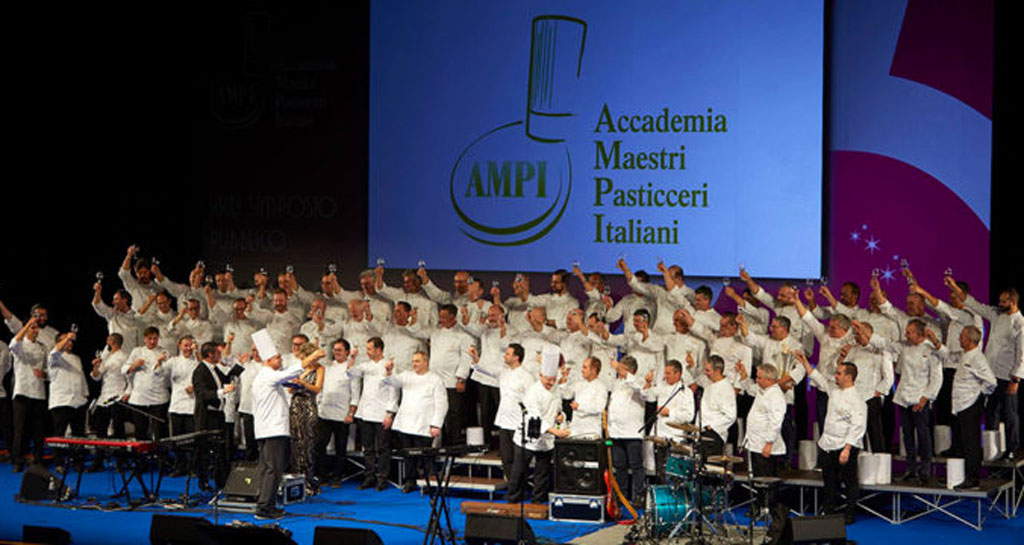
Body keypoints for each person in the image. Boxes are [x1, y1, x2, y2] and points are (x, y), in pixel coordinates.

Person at [251, 332, 323, 520]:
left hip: (264, 429)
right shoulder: (269, 376)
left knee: (267, 469)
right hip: (273, 429)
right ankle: (265, 508)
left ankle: (264, 503)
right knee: (274, 469)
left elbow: (290, 380)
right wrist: (312, 357)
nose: (281, 359)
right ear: (268, 361)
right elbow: (291, 373)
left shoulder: (263, 377)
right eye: (277, 357)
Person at [953, 280, 1024, 461]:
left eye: (1003, 301)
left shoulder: (1020, 323)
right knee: (991, 412)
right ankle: (992, 450)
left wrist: (1016, 380)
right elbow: (974, 304)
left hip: (1008, 376)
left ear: (1013, 302)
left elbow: (1022, 354)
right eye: (999, 301)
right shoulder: (996, 315)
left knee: (1010, 414)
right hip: (991, 375)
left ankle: (1012, 449)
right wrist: (953, 286)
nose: (999, 304)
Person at [795, 352, 866, 525]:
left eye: (839, 373)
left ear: (848, 377)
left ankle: (849, 513)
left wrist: (847, 449)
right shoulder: (834, 390)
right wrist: (805, 362)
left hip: (845, 446)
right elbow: (818, 378)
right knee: (829, 481)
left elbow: (858, 426)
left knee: (849, 481)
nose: (835, 376)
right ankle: (829, 511)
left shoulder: (857, 400)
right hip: (828, 443)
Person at [506, 348, 571, 504]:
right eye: (548, 380)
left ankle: (538, 502)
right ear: (541, 375)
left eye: (553, 380)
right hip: (528, 437)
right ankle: (513, 500)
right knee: (519, 472)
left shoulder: (555, 389)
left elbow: (559, 407)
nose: (551, 383)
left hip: (547, 440)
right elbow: (535, 417)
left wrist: (561, 416)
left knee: (542, 473)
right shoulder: (533, 392)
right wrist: (555, 431)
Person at [884, 320, 943, 485]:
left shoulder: (931, 350)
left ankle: (925, 470)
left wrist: (925, 398)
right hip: (904, 397)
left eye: (909, 332)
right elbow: (886, 347)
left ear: (919, 334)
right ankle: (910, 470)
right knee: (907, 435)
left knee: (923, 434)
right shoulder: (905, 347)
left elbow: (937, 378)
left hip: (920, 398)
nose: (906, 335)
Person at [937, 326, 995, 489]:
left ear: (969, 340)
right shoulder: (964, 354)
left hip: (970, 405)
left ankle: (972, 478)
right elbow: (949, 355)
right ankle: (957, 476)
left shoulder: (978, 358)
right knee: (960, 442)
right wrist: (936, 342)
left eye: (961, 337)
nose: (959, 339)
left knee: (971, 443)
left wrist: (978, 394)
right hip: (960, 405)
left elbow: (991, 382)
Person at [382, 350, 448, 493]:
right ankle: (409, 481)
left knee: (425, 457)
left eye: (417, 361)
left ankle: (427, 482)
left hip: (424, 425)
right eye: (413, 361)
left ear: (426, 362)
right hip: (406, 424)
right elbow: (390, 382)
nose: (414, 364)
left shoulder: (435, 379)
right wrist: (389, 371)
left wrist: (436, 424)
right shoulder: (406, 376)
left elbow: (442, 404)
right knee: (408, 456)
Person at [348, 337, 395, 491]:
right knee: (367, 447)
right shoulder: (366, 365)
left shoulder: (389, 365)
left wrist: (389, 413)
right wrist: (352, 358)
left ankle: (382, 478)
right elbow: (350, 373)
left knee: (383, 448)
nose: (367, 352)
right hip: (366, 412)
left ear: (378, 349)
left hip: (382, 412)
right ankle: (369, 476)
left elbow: (393, 391)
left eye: (369, 349)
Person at [607, 356, 652, 503]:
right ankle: (622, 495)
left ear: (629, 370)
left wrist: (623, 371)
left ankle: (639, 496)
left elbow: (642, 391)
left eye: (621, 368)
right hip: (616, 431)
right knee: (619, 466)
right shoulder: (617, 383)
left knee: (636, 465)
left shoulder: (637, 381)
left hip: (632, 432)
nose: (618, 370)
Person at [316, 339, 360, 484]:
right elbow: (321, 388)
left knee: (340, 448)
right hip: (324, 413)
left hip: (342, 415)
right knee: (320, 445)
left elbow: (355, 394)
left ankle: (337, 476)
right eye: (335, 350)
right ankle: (322, 475)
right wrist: (318, 405)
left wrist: (351, 413)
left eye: (339, 350)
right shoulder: (328, 367)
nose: (336, 352)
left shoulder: (351, 369)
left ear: (347, 352)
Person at [192, 341, 235, 488]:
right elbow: (202, 394)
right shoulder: (200, 371)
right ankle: (203, 481)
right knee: (204, 449)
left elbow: (225, 379)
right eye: (218, 353)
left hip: (218, 413)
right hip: (206, 416)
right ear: (210, 354)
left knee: (221, 448)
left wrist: (237, 369)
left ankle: (221, 481)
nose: (220, 355)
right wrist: (222, 392)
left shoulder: (215, 369)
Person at [10, 317, 50, 471]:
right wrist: (27, 324)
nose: (35, 330)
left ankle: (38, 459)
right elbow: (13, 344)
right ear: (26, 329)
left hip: (38, 392)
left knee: (39, 429)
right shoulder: (20, 344)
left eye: (36, 328)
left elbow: (47, 368)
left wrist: (44, 373)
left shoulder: (42, 347)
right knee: (20, 429)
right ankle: (18, 461)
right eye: (32, 328)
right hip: (22, 390)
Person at [644, 359, 694, 479]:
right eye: (665, 373)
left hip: (675, 438)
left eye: (668, 373)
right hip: (660, 436)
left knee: (673, 474)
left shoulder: (686, 392)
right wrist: (648, 383)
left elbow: (689, 415)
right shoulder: (661, 387)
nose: (665, 376)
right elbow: (647, 396)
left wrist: (669, 412)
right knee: (659, 472)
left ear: (678, 374)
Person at [88, 334, 129, 471]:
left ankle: (121, 461)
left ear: (111, 342)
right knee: (101, 429)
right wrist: (95, 366)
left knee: (118, 429)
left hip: (117, 395)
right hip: (104, 397)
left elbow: (129, 377)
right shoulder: (105, 357)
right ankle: (98, 461)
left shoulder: (124, 356)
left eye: (108, 340)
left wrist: (127, 393)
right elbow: (96, 377)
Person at [288, 342, 325, 494]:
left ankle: (309, 480)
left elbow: (317, 388)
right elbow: (290, 390)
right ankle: (296, 478)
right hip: (296, 406)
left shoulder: (319, 369)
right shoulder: (299, 369)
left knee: (308, 443)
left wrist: (303, 383)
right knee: (296, 442)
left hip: (309, 406)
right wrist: (294, 385)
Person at [123, 327, 171, 440]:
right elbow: (125, 370)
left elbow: (168, 373)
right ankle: (142, 450)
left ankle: (161, 451)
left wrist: (160, 363)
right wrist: (134, 365)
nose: (153, 341)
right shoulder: (137, 351)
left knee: (160, 430)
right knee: (140, 429)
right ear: (144, 338)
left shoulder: (164, 353)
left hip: (159, 397)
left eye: (155, 338)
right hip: (140, 397)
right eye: (150, 338)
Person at [699, 355, 737, 456]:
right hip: (702, 430)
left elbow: (731, 416)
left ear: (717, 371)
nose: (705, 373)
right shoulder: (709, 383)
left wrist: (712, 426)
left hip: (715, 433)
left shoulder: (726, 388)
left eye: (708, 370)